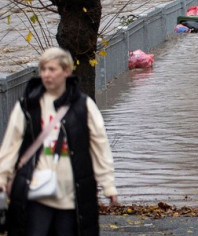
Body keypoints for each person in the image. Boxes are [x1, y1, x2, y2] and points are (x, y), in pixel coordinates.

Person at [0, 48, 118, 236]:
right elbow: (11, 144)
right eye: (43, 69)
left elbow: (99, 146)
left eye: (52, 69)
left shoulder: (83, 105)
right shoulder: (28, 106)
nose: (46, 74)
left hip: (72, 194)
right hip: (36, 192)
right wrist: (2, 176)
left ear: (66, 71)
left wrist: (108, 184)